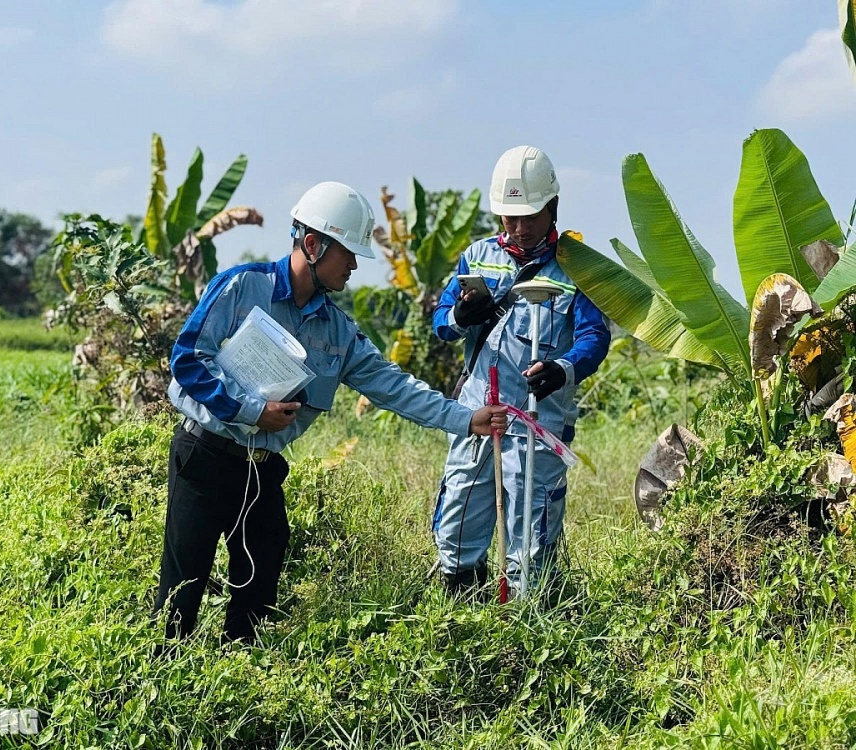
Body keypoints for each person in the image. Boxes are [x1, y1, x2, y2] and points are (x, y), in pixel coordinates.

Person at [155, 181, 508, 644]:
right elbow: (187, 359)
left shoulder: (339, 332)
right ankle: (162, 676)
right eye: (348, 253)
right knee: (182, 591)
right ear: (313, 244)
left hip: (261, 472)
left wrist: (466, 418)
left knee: (258, 590)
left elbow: (395, 387)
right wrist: (251, 410)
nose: (355, 265)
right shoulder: (243, 287)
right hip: (204, 457)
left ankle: (239, 675)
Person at [431, 146, 611, 596]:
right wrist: (459, 319)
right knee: (459, 516)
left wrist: (563, 368)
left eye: (528, 216)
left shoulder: (578, 266)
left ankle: (529, 617)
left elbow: (594, 337)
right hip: (476, 416)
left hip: (538, 421)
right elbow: (441, 320)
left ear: (552, 208)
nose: (518, 226)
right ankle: (460, 607)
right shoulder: (476, 257)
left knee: (531, 533)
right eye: (508, 216)